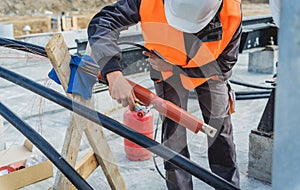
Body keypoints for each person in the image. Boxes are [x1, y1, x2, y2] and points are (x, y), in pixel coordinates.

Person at [88, 0, 242, 189]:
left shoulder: (231, 11)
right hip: (166, 73)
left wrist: (178, 69)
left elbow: (225, 64)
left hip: (211, 75)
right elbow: (103, 22)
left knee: (220, 132)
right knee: (174, 138)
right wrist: (112, 73)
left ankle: (228, 185)